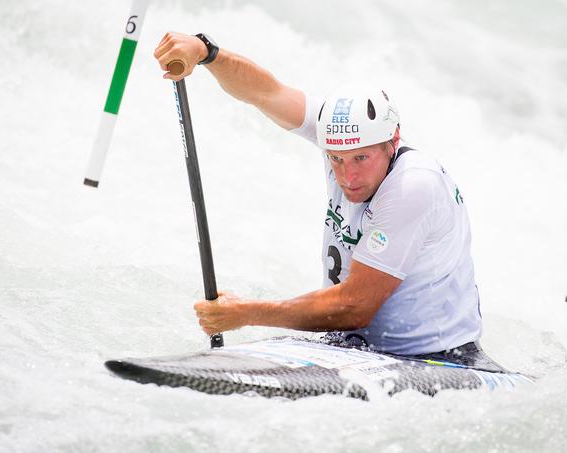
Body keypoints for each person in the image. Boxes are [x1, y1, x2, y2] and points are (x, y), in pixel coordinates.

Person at [154, 32, 501, 369]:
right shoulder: (339, 132)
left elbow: (355, 306)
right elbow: (265, 92)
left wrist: (244, 313)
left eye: (361, 159)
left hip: (438, 359)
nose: (346, 176)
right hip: (354, 346)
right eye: (336, 159)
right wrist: (206, 52)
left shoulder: (414, 187)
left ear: (391, 141)